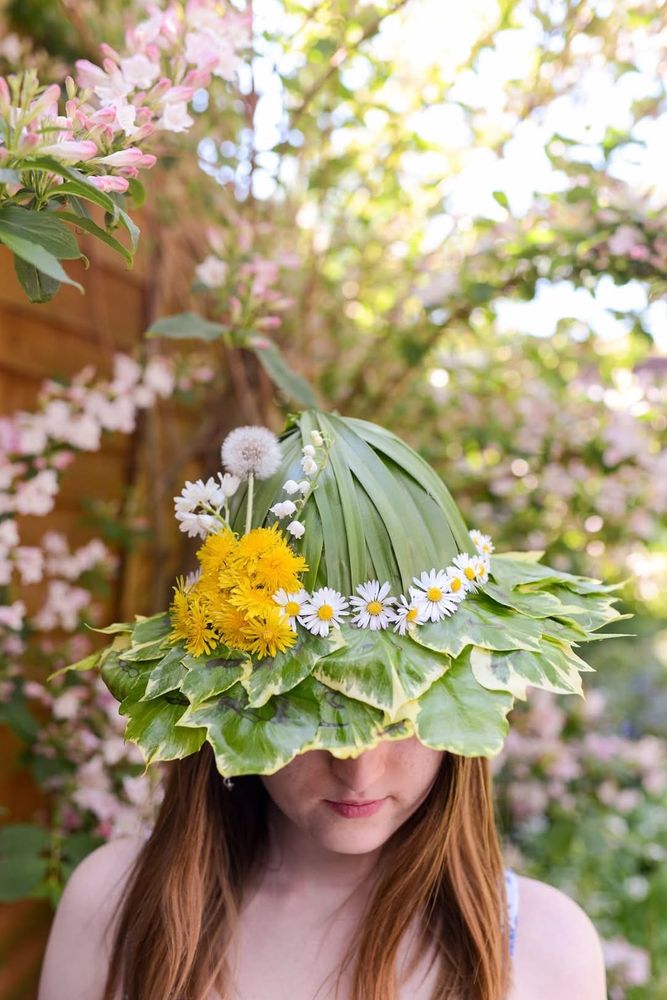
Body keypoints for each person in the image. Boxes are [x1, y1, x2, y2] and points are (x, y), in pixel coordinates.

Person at [38, 409, 620, 999]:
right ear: (226, 701)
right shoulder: (112, 908)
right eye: (310, 715)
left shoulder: (546, 949)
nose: (358, 769)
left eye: (398, 716)